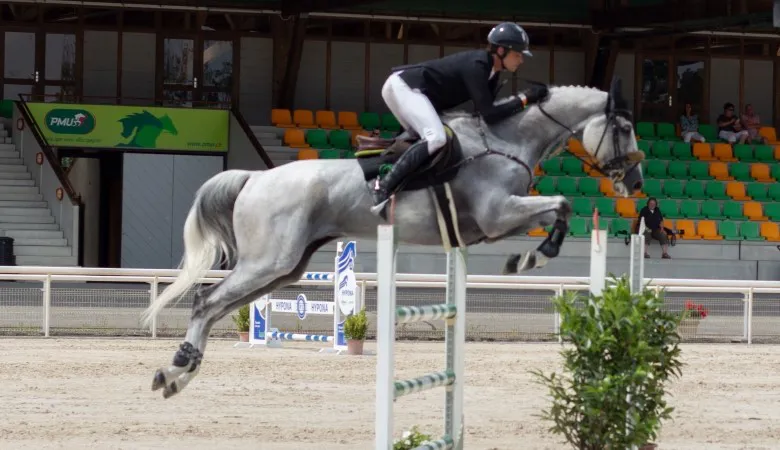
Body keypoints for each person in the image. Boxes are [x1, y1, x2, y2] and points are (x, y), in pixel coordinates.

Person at [370, 22, 550, 216]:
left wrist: (525, 101)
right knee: (436, 138)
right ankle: (384, 187)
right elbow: (489, 114)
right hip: (405, 86)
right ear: (500, 50)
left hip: (410, 89)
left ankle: (390, 177)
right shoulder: (478, 65)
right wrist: (525, 99)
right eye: (518, 54)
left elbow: (486, 116)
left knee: (423, 140)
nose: (521, 60)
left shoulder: (492, 73)